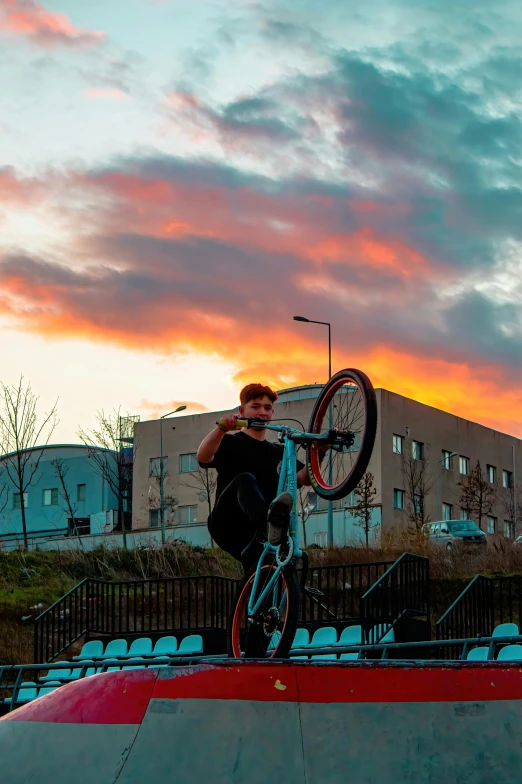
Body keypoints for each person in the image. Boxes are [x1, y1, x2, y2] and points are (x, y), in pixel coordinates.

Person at [197, 383, 311, 569]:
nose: (262, 412)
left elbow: (304, 478)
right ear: (242, 411)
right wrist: (221, 429)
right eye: (255, 407)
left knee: (262, 578)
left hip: (254, 533)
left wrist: (319, 452)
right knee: (245, 479)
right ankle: (269, 528)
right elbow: (203, 457)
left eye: (267, 408)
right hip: (227, 523)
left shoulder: (278, 452)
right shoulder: (230, 442)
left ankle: (251, 594)